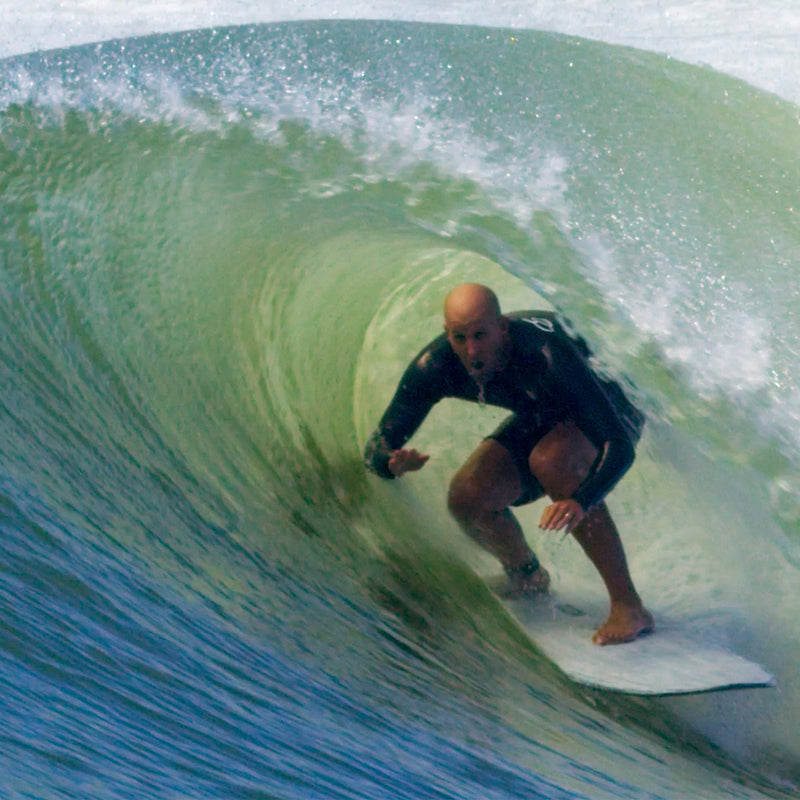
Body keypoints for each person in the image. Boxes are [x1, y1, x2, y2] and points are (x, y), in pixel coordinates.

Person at [363, 283, 654, 645]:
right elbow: (377, 446)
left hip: (614, 399)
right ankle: (527, 577)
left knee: (553, 463)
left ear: (502, 327)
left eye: (481, 335)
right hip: (546, 411)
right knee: (468, 497)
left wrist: (581, 499)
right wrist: (390, 464)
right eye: (460, 337)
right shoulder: (436, 366)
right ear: (446, 335)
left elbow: (619, 446)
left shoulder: (546, 353)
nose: (472, 350)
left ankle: (629, 606)